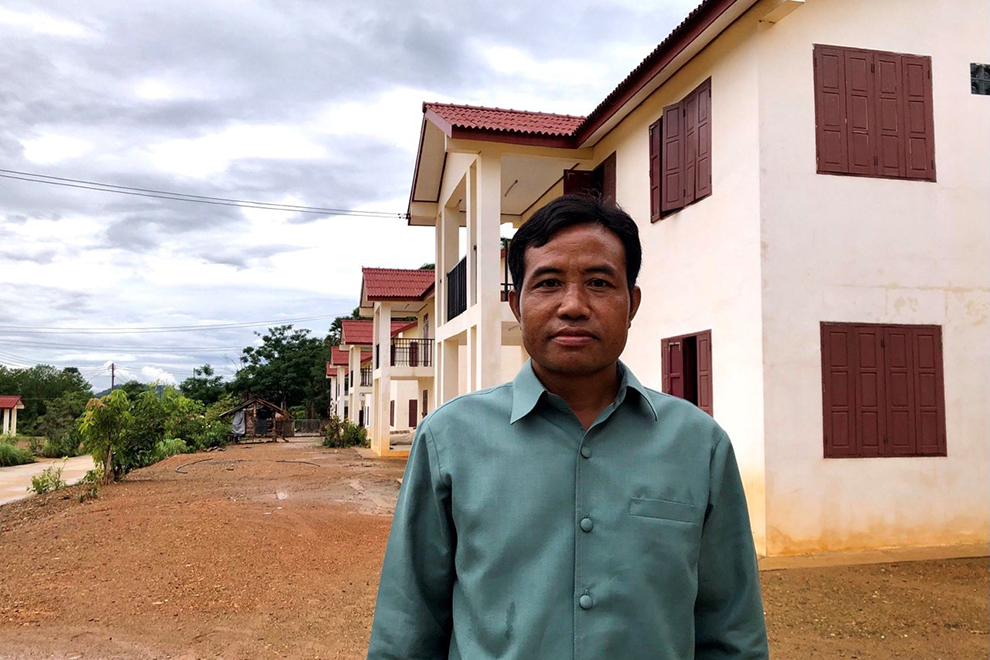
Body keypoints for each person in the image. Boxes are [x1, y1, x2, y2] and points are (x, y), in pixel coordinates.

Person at [366, 195, 769, 660]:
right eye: (548, 283)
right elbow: (408, 629)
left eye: (599, 282)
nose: (573, 306)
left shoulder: (700, 445)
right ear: (516, 305)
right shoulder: (449, 439)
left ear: (632, 303)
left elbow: (732, 633)